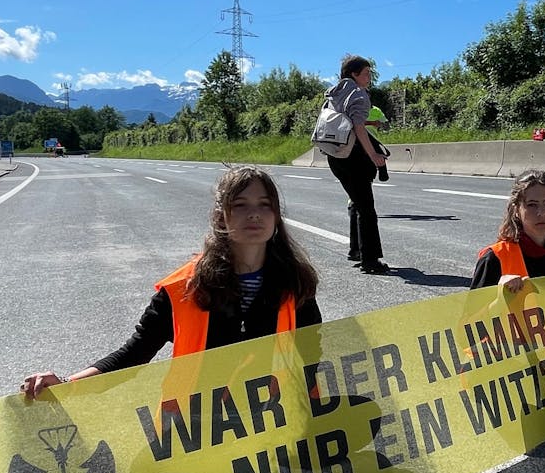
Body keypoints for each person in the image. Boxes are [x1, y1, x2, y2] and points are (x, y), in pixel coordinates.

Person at [22, 167, 322, 396]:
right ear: (221, 217)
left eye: (265, 204)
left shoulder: (295, 283)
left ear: (277, 216)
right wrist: (64, 385)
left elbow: (310, 358)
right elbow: (134, 354)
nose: (254, 215)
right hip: (199, 429)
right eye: (240, 205)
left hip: (276, 423)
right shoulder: (184, 289)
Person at [325, 55, 391, 275]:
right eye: (366, 73)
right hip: (354, 155)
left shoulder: (334, 94)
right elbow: (358, 127)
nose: (369, 77)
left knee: (356, 201)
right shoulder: (358, 94)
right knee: (366, 208)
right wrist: (373, 154)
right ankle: (370, 260)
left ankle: (357, 250)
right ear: (353, 74)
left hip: (335, 155)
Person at [471, 170, 545, 291]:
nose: (542, 213)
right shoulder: (494, 258)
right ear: (516, 210)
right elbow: (472, 310)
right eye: (532, 205)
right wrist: (499, 295)